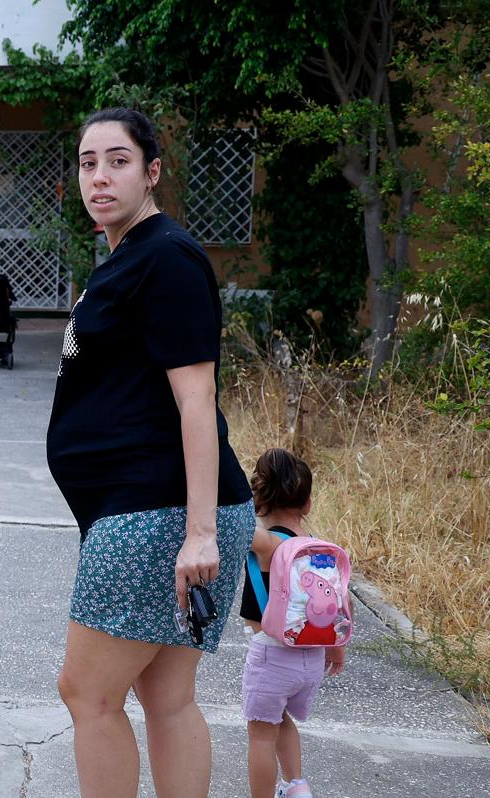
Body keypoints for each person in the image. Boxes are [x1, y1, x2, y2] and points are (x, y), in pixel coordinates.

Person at [46, 108, 255, 798]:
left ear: (152, 171)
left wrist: (201, 533)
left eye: (118, 161)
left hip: (156, 512)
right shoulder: (132, 254)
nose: (100, 177)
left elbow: (197, 398)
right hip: (147, 506)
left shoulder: (165, 256)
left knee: (87, 693)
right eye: (87, 163)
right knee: (166, 698)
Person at [240, 448, 346, 798]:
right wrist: (337, 651)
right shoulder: (322, 550)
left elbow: (233, 526)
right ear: (309, 503)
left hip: (272, 658)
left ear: (260, 496)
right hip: (312, 657)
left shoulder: (270, 545)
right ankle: (297, 785)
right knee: (280, 719)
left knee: (260, 734)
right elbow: (340, 602)